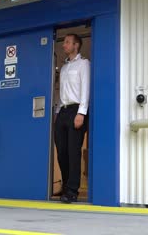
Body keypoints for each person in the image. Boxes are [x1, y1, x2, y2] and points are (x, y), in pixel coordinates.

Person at [54, 33, 90, 203]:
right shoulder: (65, 68)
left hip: (76, 110)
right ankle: (66, 185)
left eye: (67, 42)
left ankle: (72, 191)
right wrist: (57, 113)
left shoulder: (84, 64)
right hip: (63, 111)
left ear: (76, 45)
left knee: (73, 152)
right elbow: (62, 92)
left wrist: (81, 112)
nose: (64, 45)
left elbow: (85, 89)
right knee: (61, 152)